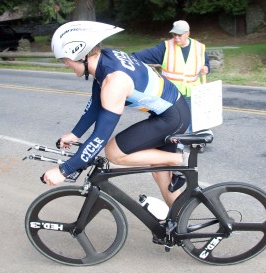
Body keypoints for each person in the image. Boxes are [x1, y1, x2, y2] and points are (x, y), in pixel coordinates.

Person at [43, 21, 190, 207]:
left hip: (172, 117)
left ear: (80, 54)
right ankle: (179, 225)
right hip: (173, 110)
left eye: (65, 59)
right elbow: (96, 103)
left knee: (113, 151)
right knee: (162, 177)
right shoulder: (106, 59)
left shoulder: (114, 82)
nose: (65, 64)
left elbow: (99, 138)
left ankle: (179, 159)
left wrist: (64, 170)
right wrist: (75, 134)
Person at [132, 20, 211, 134]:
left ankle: (196, 140)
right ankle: (176, 144)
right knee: (174, 120)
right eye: (174, 34)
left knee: (194, 118)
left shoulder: (199, 48)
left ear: (187, 33)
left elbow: (206, 64)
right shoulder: (165, 47)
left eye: (179, 35)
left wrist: (207, 69)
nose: (176, 38)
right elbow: (139, 56)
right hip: (171, 93)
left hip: (192, 91)